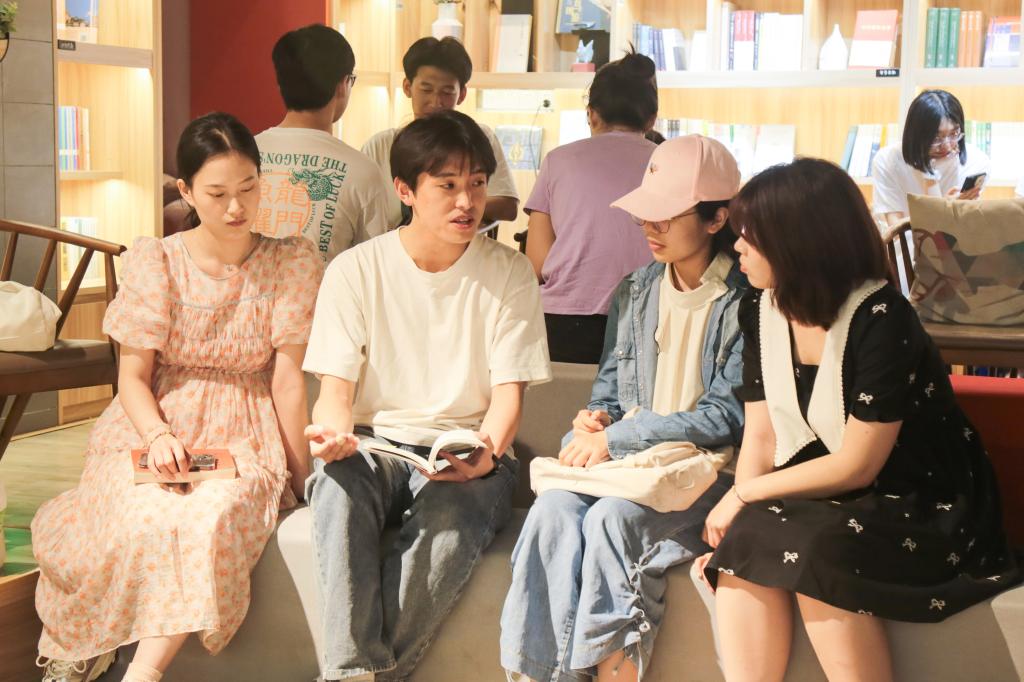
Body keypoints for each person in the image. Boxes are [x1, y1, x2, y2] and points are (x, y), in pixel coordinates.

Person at [695, 158, 1020, 682]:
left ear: (798, 242)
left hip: (914, 494)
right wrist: (743, 505)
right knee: (745, 542)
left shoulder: (881, 316)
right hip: (816, 487)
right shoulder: (757, 308)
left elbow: (858, 466)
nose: (738, 248)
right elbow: (761, 433)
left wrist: (744, 494)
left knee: (818, 551)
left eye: (751, 237)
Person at [32, 112, 322, 682]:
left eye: (248, 188)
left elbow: (287, 382)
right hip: (154, 422)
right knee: (140, 514)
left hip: (245, 429)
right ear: (187, 191)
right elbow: (132, 377)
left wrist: (303, 480)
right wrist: (158, 435)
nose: (236, 207)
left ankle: (141, 674)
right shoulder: (157, 260)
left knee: (210, 516)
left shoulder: (291, 260)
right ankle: (91, 652)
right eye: (217, 193)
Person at [304, 109, 550, 682]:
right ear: (405, 190)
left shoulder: (510, 272)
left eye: (477, 184)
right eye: (447, 185)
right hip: (374, 446)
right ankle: (356, 674)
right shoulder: (355, 270)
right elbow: (334, 391)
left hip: (466, 450)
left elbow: (508, 397)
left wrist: (487, 452)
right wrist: (333, 434)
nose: (467, 202)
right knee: (336, 487)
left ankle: (356, 676)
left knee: (450, 517)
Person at [500, 135, 748, 682]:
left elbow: (726, 418)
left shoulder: (747, 299)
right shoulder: (635, 290)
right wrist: (597, 419)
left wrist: (616, 438)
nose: (649, 227)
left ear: (716, 219)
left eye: (666, 215)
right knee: (551, 512)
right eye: (644, 214)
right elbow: (609, 394)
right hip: (634, 467)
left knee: (613, 519)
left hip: (710, 474)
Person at [524, 51, 658, 364]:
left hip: (563, 322)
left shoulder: (557, 161)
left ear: (591, 114)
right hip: (649, 318)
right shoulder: (666, 163)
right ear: (652, 119)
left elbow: (536, 264)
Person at [255, 24, 392, 263]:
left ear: (280, 85)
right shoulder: (363, 172)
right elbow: (373, 265)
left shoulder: (244, 153)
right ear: (343, 85)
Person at [361, 36, 519, 228]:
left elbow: (508, 206)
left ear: (462, 95)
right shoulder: (380, 146)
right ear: (407, 87)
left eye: (447, 92)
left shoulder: (477, 138)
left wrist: (445, 207)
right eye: (426, 90)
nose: (436, 103)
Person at [872, 89, 990, 228]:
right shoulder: (888, 160)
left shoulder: (976, 161)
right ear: (915, 134)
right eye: (936, 138)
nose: (947, 145)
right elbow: (896, 230)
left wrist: (944, 210)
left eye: (954, 133)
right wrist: (941, 209)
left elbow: (966, 227)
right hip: (907, 240)